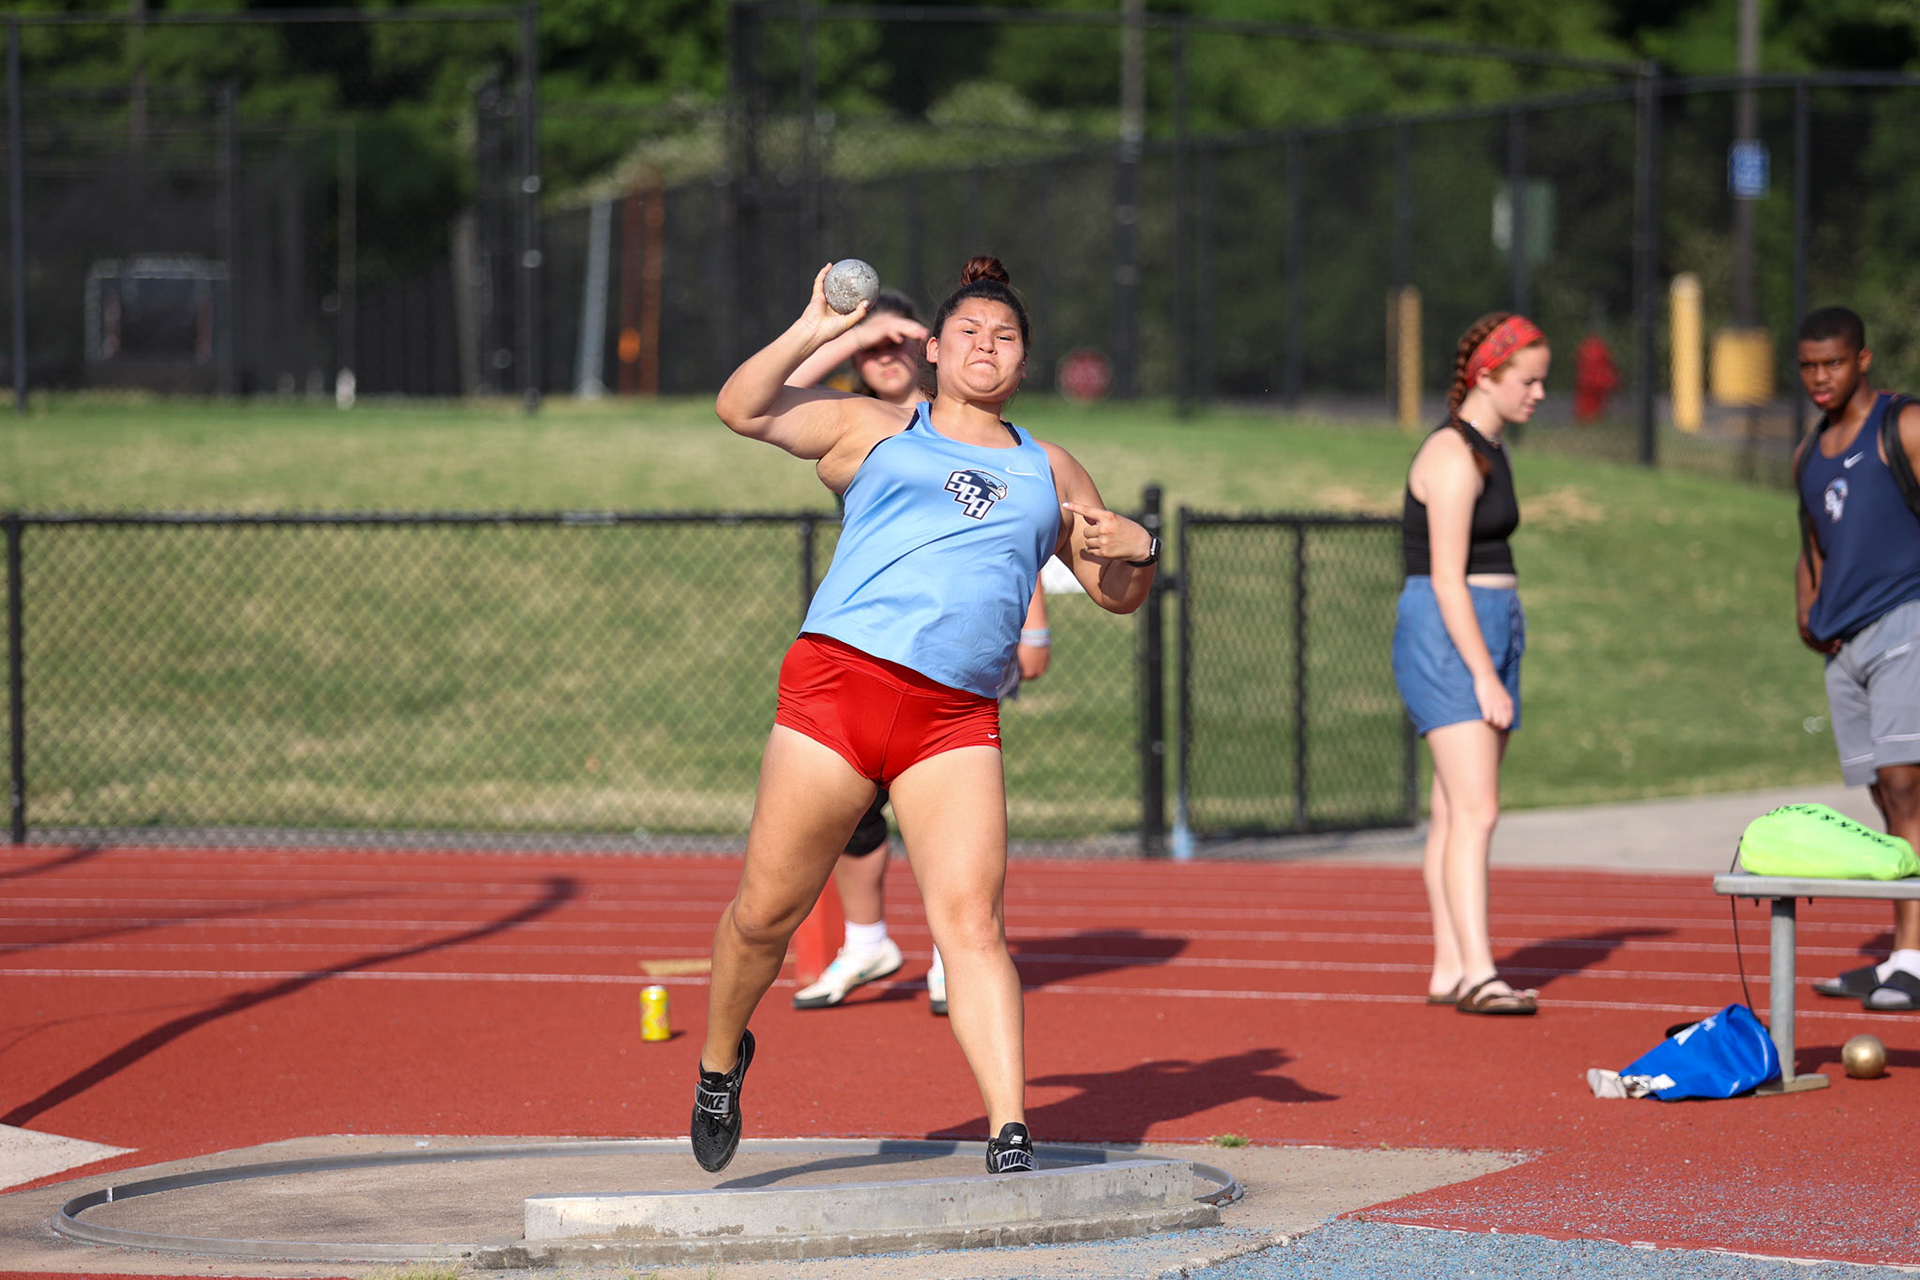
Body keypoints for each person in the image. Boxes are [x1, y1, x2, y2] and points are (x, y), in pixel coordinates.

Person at [694, 256, 1157, 1175]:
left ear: (1024, 360)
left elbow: (1116, 595)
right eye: (969, 333)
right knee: (765, 916)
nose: (987, 347)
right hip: (838, 688)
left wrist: (1139, 549)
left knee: (972, 925)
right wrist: (819, 326)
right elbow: (741, 408)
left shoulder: (1049, 467)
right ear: (935, 351)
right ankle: (718, 1063)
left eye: (1006, 336)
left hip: (953, 718)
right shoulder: (875, 426)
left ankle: (1009, 1130)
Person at [784, 290, 1053, 1017]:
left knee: (944, 818)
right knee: (855, 811)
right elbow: (769, 397)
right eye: (873, 348)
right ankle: (867, 941)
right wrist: (851, 332)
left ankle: (951, 951)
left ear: (925, 349)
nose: (885, 356)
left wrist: (1035, 624)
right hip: (871, 645)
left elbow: (1012, 527)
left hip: (954, 654)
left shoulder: (974, 423)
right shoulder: (860, 425)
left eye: (895, 342)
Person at [1394, 312, 1548, 1017]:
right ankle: (1482, 973)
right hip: (1449, 632)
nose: (1538, 394)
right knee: (1478, 810)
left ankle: (1451, 967)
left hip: (1492, 624)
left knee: (1454, 810)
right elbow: (1447, 579)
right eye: (1528, 381)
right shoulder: (1452, 455)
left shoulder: (1491, 448)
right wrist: (1484, 673)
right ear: (1487, 375)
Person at [1792, 306, 1920, 1012]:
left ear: (1862, 360)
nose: (1820, 378)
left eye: (1833, 363)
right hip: (1844, 647)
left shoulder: (1905, 425)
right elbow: (1813, 542)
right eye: (1809, 366)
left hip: (1906, 619)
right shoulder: (1808, 454)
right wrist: (1806, 607)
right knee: (1883, 797)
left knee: (1906, 786)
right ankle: (1903, 952)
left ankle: (1913, 958)